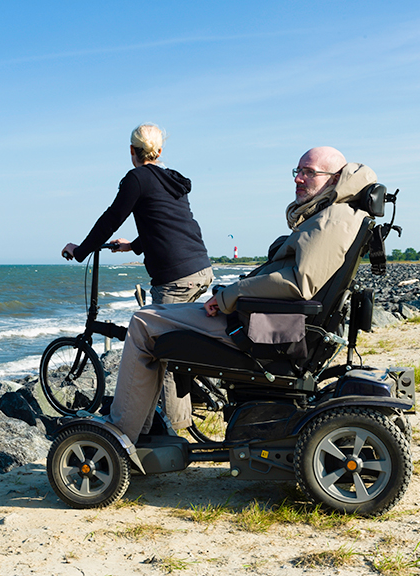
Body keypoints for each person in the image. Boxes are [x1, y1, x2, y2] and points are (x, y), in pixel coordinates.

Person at [105, 146, 378, 443]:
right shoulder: (337, 213)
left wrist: (230, 296)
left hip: (262, 330)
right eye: (298, 171)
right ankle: (143, 429)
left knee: (144, 323)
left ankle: (121, 434)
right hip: (270, 321)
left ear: (335, 178)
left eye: (309, 173)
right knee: (152, 317)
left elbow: (300, 284)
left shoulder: (332, 219)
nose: (299, 179)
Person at [62, 123, 214, 429]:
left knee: (161, 354)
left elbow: (110, 219)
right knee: (169, 343)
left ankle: (173, 431)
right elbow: (166, 225)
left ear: (132, 151)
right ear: (159, 151)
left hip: (175, 278)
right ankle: (151, 426)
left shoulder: (137, 179)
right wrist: (133, 246)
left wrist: (80, 251)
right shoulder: (171, 180)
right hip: (200, 268)